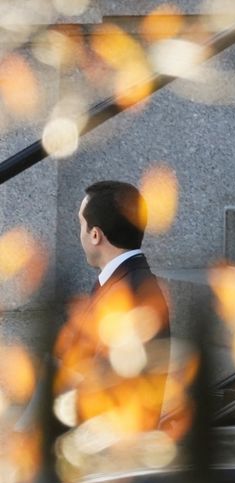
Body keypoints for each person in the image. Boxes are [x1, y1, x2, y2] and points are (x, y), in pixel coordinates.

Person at [53, 180, 171, 430]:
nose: (80, 234)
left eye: (81, 225)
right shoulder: (123, 282)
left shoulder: (132, 293)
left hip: (108, 454)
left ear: (95, 235)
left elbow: (110, 389)